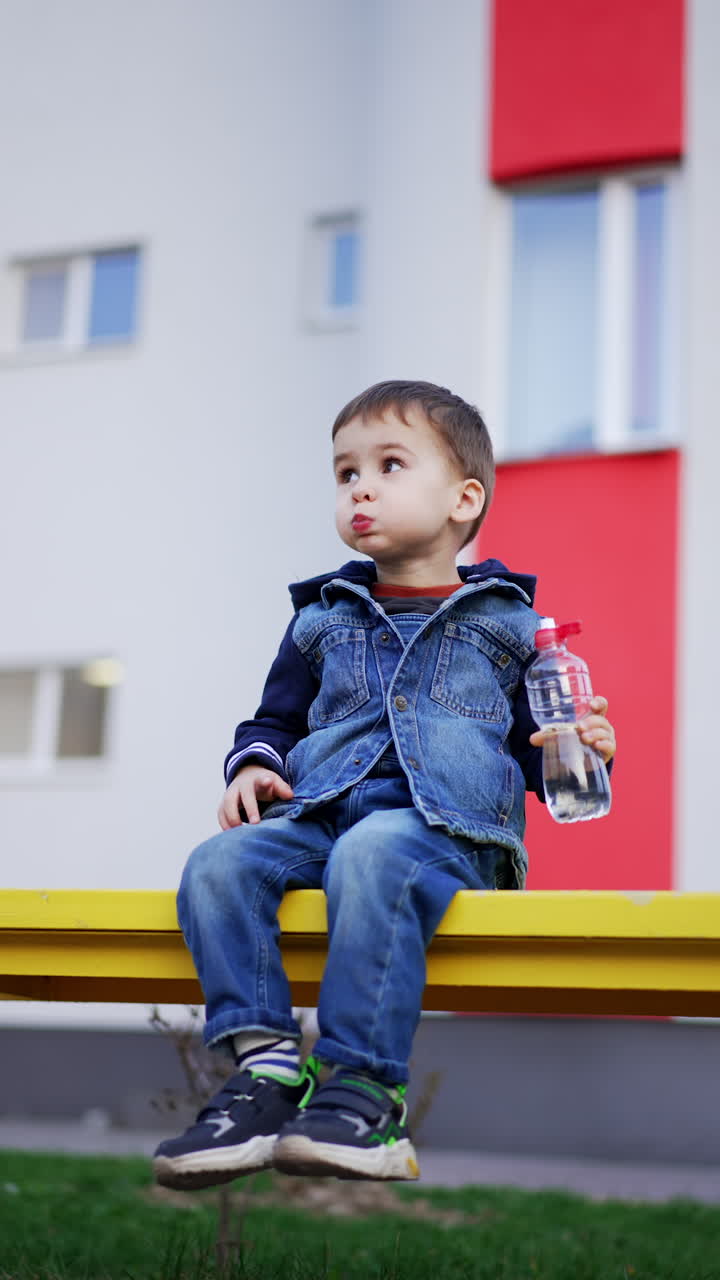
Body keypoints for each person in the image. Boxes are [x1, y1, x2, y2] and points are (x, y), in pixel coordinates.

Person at [153, 380, 617, 1190]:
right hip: (321, 819)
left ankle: (365, 1091)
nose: (360, 488)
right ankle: (264, 1072)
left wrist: (585, 752)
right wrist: (256, 765)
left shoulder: (509, 627)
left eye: (389, 466)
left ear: (463, 500)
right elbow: (275, 721)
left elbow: (542, 757)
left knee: (372, 852)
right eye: (346, 473)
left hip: (446, 834)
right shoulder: (321, 620)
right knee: (218, 863)